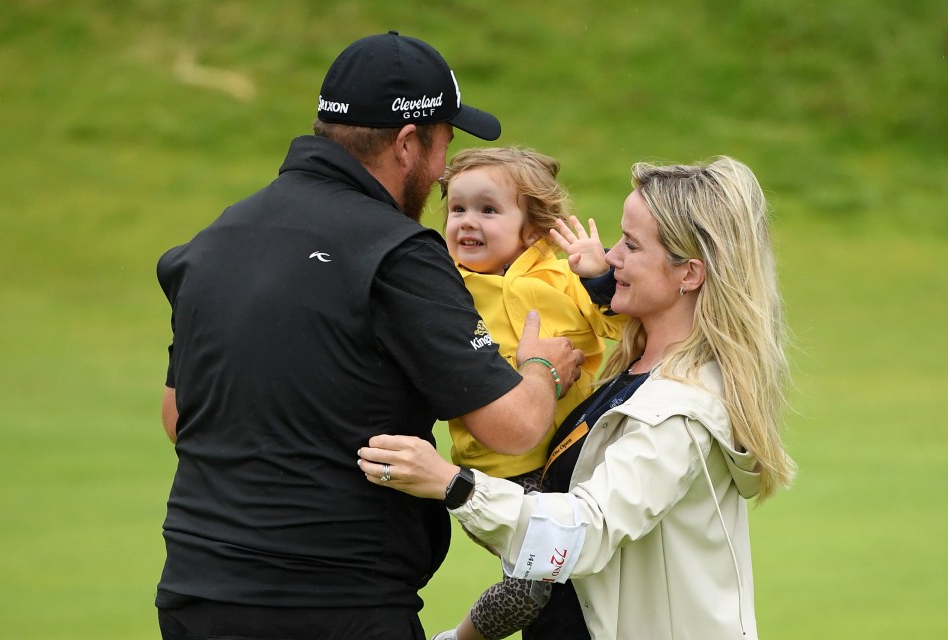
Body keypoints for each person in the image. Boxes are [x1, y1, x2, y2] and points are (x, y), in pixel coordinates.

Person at [154, 31, 585, 640]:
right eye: (444, 145)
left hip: (196, 595)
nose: (441, 173)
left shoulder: (214, 242)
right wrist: (542, 367)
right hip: (338, 604)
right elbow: (512, 427)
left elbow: (179, 418)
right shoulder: (397, 252)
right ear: (408, 144)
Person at [360, 156, 797, 640]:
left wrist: (451, 482)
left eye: (630, 246)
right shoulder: (634, 373)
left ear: (688, 274)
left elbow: (587, 531)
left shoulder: (678, 413)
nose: (610, 258)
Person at [435, 147, 628, 640]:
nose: (467, 222)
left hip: (571, 458)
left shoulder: (563, 280)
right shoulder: (446, 290)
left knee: (592, 572)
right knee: (533, 584)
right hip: (501, 472)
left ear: (536, 228)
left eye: (488, 209)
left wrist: (598, 277)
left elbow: (623, 326)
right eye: (457, 209)